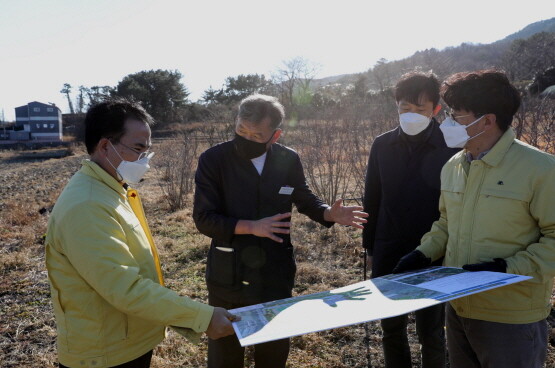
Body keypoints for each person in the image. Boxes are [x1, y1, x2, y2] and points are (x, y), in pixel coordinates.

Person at [45, 98, 236, 368]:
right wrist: (202, 317)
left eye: (147, 151)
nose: (144, 160)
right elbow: (124, 287)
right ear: (105, 146)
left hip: (123, 341)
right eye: (138, 148)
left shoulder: (111, 188)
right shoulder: (87, 204)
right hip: (104, 354)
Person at [393, 69, 555, 368]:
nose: (448, 123)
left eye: (457, 116)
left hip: (511, 317)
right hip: (458, 310)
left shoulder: (540, 169)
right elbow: (445, 223)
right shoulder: (454, 165)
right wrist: (422, 253)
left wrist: (507, 268)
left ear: (487, 121)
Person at [193, 94, 368, 368]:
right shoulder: (214, 159)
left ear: (274, 135)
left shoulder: (287, 159)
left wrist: (328, 213)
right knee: (226, 348)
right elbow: (204, 219)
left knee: (273, 346)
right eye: (241, 131)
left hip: (275, 269)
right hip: (229, 271)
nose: (247, 139)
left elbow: (304, 198)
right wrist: (252, 227)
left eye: (257, 134)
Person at [362, 70, 458, 368]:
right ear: (396, 107)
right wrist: (370, 246)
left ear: (436, 110)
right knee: (391, 327)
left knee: (430, 330)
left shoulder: (450, 144)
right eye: (406, 108)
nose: (412, 114)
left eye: (421, 109)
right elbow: (372, 198)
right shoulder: (382, 145)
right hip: (389, 246)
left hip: (435, 249)